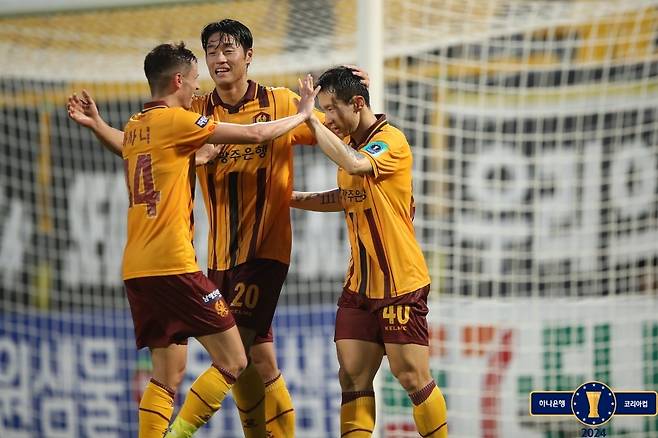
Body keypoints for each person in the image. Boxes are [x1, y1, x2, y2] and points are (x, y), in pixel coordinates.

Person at [66, 19, 369, 438]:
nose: (219, 58)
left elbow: (333, 127)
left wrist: (351, 100)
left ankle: (180, 432)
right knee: (256, 363)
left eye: (229, 49)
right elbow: (143, 145)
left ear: (248, 55)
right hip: (217, 255)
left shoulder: (280, 102)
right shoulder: (193, 111)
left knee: (235, 353)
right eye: (211, 51)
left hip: (264, 251)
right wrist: (100, 126)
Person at [291, 67, 449, 437]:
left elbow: (354, 164)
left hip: (399, 282)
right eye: (323, 110)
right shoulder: (351, 145)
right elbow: (345, 197)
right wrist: (290, 198)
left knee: (411, 376)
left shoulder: (389, 141)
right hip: (359, 287)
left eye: (331, 109)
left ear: (357, 104)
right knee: (352, 376)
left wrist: (307, 120)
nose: (326, 118)